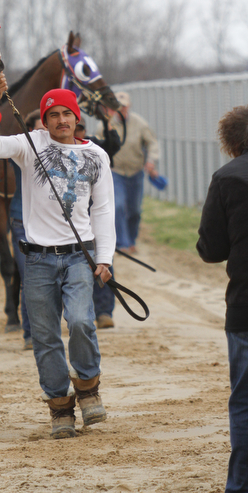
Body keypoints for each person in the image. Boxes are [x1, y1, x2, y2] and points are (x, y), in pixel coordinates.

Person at [0, 75, 115, 439]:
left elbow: (103, 210)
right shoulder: (30, 144)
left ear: (76, 117)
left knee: (82, 322)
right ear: (43, 119)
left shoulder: (96, 155)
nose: (60, 120)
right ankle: (60, 408)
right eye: (52, 115)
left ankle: (88, 388)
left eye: (66, 113)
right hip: (37, 260)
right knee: (44, 336)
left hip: (79, 257)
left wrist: (105, 258)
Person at [197, 105, 248, 493]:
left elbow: (211, 249)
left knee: (245, 403)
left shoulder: (226, 178)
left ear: (230, 142)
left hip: (245, 309)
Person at [94, 91, 159, 329]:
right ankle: (122, 242)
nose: (121, 109)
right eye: (117, 106)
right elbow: (98, 142)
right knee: (118, 205)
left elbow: (152, 143)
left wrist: (151, 162)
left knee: (134, 210)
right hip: (116, 172)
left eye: (124, 106)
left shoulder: (140, 123)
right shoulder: (107, 125)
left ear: (129, 107)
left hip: (136, 173)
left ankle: (130, 238)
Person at [9, 109, 44, 351]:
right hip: (23, 221)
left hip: (51, 224)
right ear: (30, 131)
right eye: (40, 130)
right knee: (29, 277)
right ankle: (30, 334)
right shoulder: (22, 150)